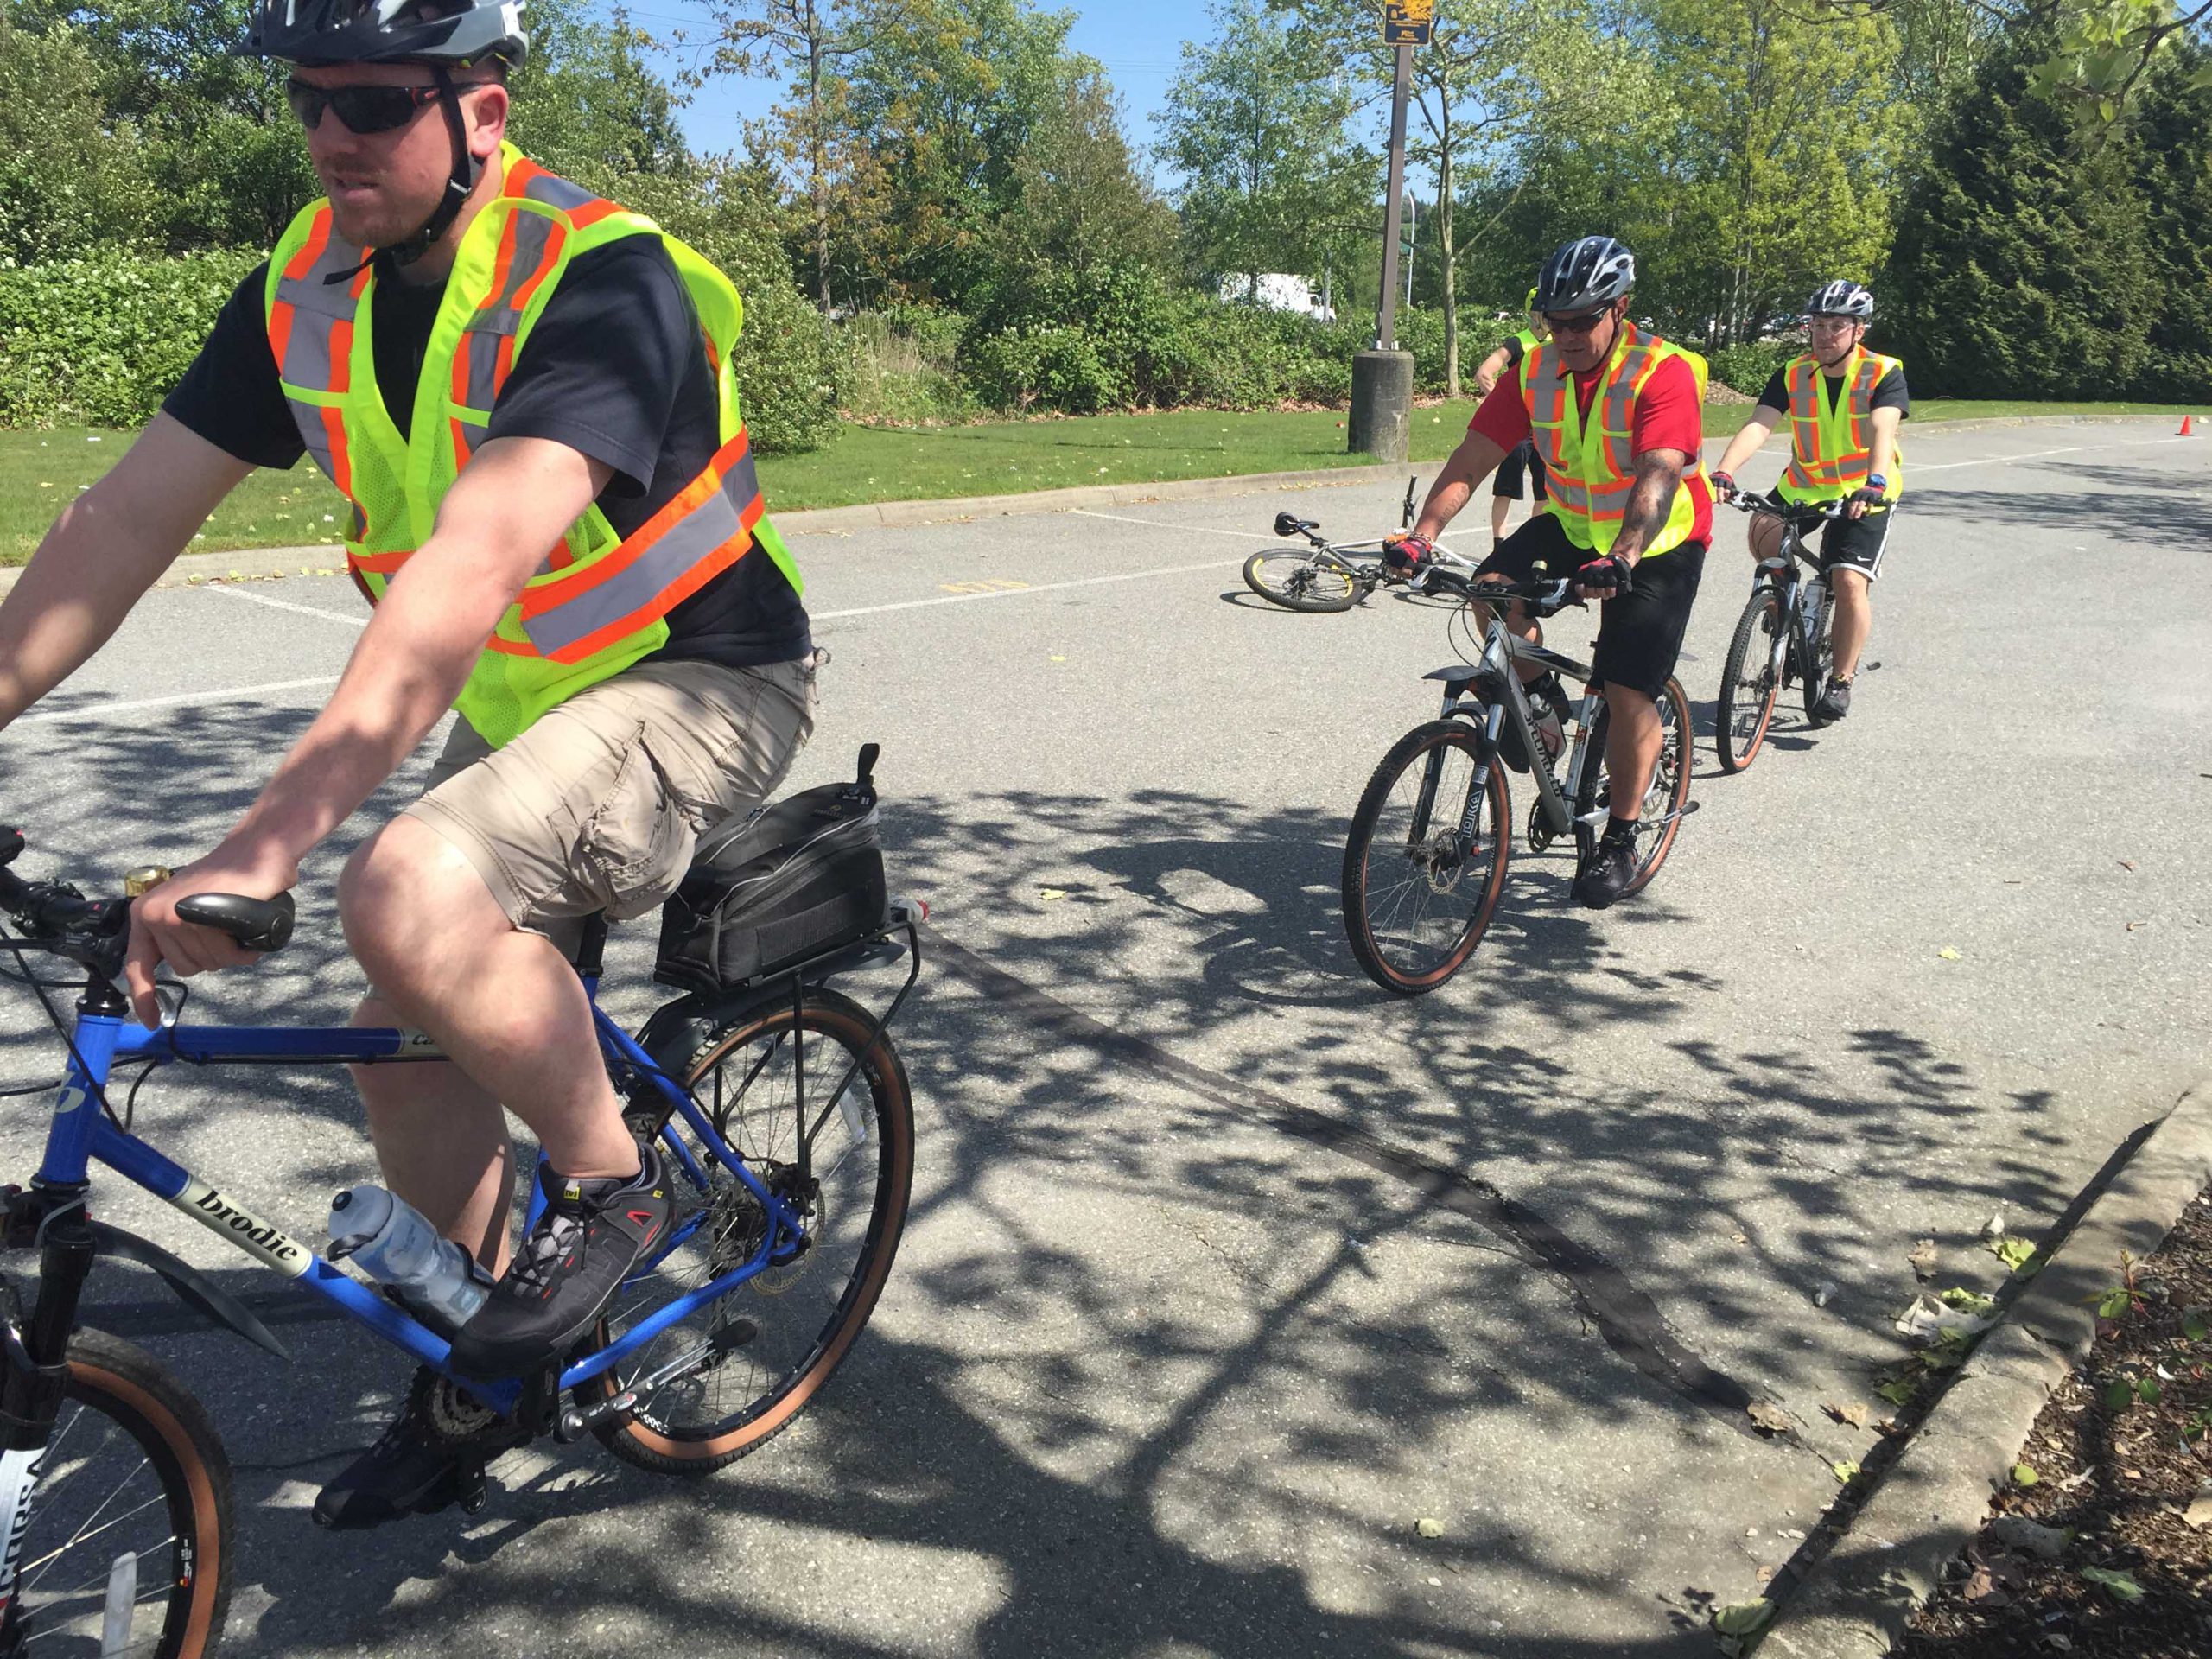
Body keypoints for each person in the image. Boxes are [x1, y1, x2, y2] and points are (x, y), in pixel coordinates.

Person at [0, 0, 817, 1528]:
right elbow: (122, 519)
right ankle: (476, 1364)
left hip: (705, 674)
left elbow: (475, 558)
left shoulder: (600, 276)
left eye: (373, 102)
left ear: (481, 115)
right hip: (530, 702)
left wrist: (265, 844)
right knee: (403, 1025)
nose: (330, 134)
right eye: (308, 100)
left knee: (403, 891)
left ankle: (619, 1192)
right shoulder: (302, 288)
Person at [1383, 236, 1713, 911]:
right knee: (1487, 591)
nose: (1565, 336)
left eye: (1581, 321)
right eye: (1553, 322)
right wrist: (1422, 536)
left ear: (1620, 309)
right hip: (1573, 522)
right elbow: (1474, 456)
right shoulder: (1533, 371)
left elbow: (1657, 476)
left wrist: (1622, 557)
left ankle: (1619, 837)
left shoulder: (1663, 371)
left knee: (1626, 688)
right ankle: (1541, 703)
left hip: (1657, 540)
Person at [1709, 281, 1906, 721]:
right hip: (1806, 484)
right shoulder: (1794, 373)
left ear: (1858, 331)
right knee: (1763, 533)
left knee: (1849, 581)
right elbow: (1760, 425)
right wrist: (1724, 471)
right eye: (1818, 324)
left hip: (1863, 491)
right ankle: (1787, 601)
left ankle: (1841, 679)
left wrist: (1874, 481)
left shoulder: (1882, 372)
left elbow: (1883, 428)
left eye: (1837, 326)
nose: (1824, 335)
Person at [1471, 289, 1551, 547]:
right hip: (1519, 431)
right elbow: (1484, 373)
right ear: (1535, 315)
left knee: (1545, 494)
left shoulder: (1556, 345)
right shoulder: (1519, 342)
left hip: (1545, 429)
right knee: (1506, 490)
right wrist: (1509, 406)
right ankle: (1499, 546)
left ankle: (1533, 546)